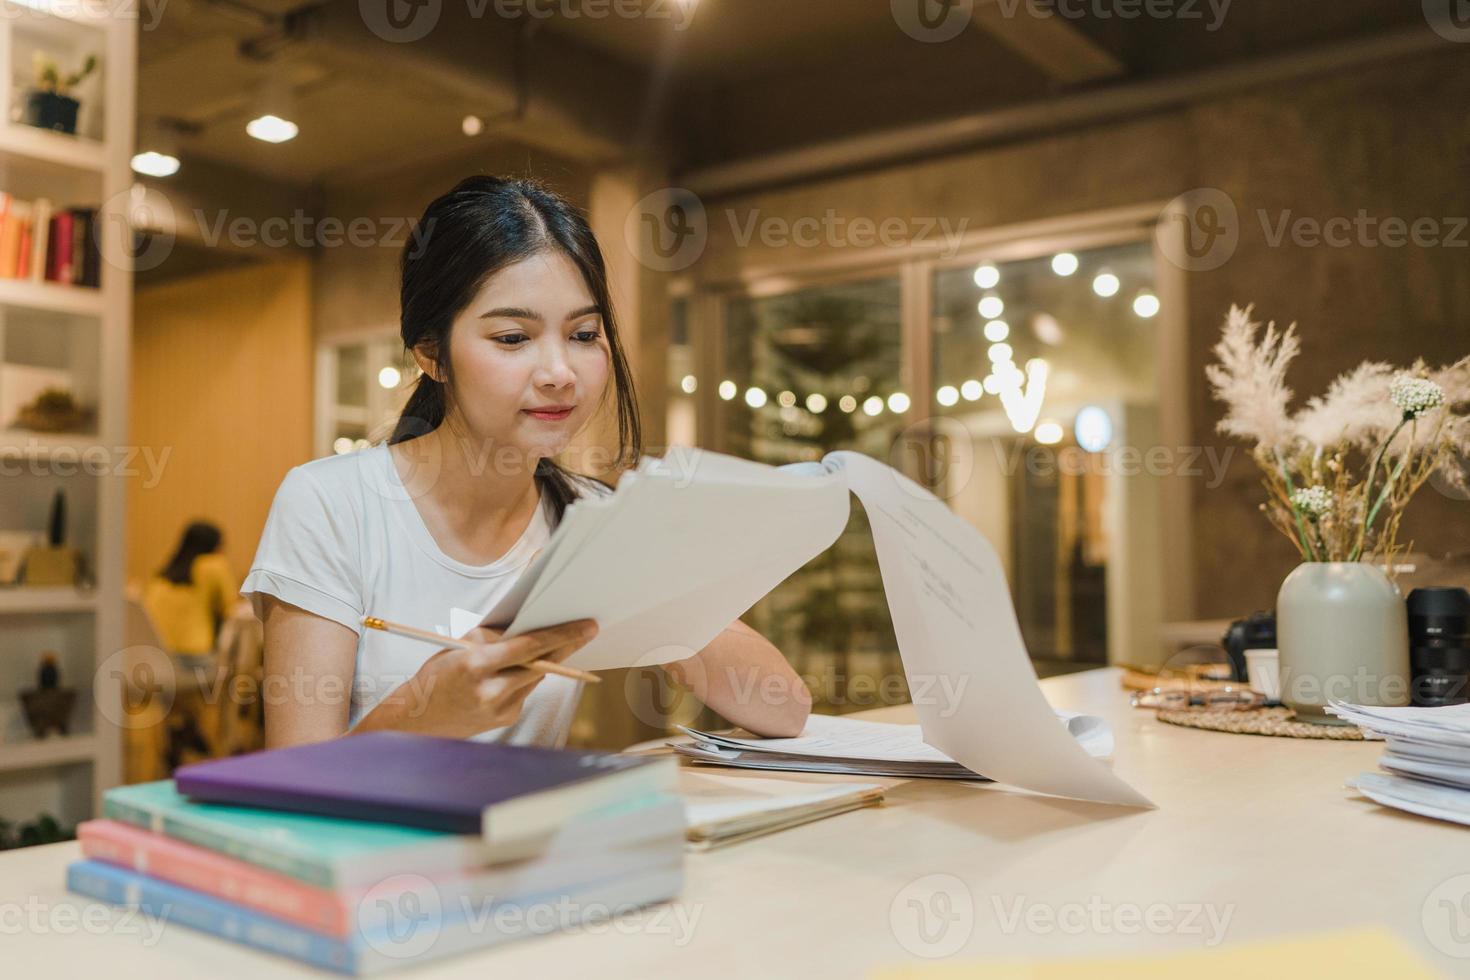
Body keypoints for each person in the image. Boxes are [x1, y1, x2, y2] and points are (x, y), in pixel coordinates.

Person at [244, 176, 812, 749]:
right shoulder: (331, 503)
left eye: (584, 334)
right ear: (431, 355)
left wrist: (663, 601)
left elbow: (785, 711)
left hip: (530, 837)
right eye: (514, 337)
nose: (560, 372)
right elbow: (293, 774)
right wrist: (424, 711)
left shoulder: (591, 516)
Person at [143, 521, 238, 656]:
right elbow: (230, 608)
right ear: (216, 546)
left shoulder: (164, 575)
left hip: (156, 652)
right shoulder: (213, 564)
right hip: (193, 653)